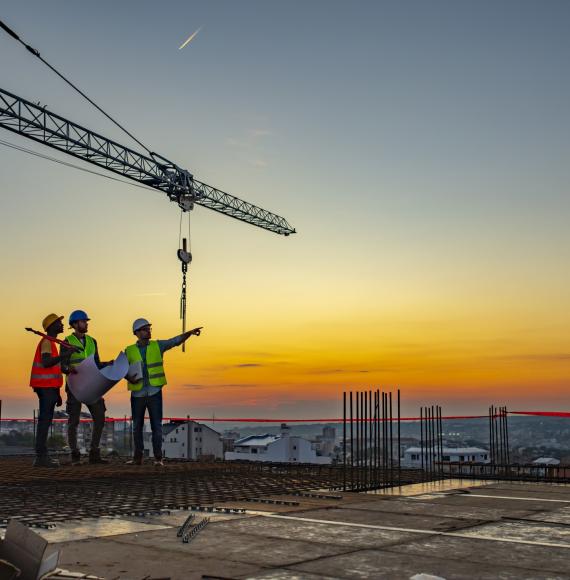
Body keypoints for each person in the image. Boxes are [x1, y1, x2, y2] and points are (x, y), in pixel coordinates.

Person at [125, 318, 202, 466]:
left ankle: (158, 458)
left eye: (149, 328)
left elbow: (175, 341)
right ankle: (137, 458)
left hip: (154, 392)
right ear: (137, 333)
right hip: (138, 394)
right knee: (137, 427)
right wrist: (129, 377)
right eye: (145, 329)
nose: (149, 331)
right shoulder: (129, 351)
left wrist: (189, 333)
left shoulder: (158, 345)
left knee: (157, 426)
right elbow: (121, 369)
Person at [60, 309, 111, 465]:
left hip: (91, 385)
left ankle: (94, 454)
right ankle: (74, 455)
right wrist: (69, 369)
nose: (86, 324)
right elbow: (62, 366)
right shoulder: (66, 342)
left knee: (100, 417)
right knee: (73, 420)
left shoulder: (92, 341)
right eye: (83, 321)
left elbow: (96, 363)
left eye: (86, 321)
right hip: (75, 386)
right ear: (75, 324)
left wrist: (107, 364)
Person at [29, 313, 73, 467]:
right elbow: (47, 363)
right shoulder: (47, 342)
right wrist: (65, 354)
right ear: (52, 326)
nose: (62, 325)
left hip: (49, 388)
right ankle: (41, 457)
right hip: (45, 387)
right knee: (44, 421)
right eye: (59, 323)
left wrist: (57, 392)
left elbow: (54, 370)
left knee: (45, 421)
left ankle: (41, 456)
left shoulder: (51, 343)